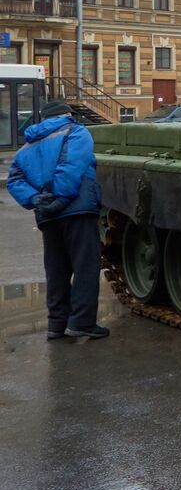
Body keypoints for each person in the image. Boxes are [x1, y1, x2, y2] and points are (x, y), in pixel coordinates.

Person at [6, 100, 106, 340]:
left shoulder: (26, 147)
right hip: (77, 208)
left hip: (47, 216)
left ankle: (56, 324)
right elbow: (72, 166)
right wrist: (60, 199)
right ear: (68, 114)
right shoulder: (76, 131)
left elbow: (14, 181)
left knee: (57, 269)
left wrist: (36, 200)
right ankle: (81, 322)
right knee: (85, 267)